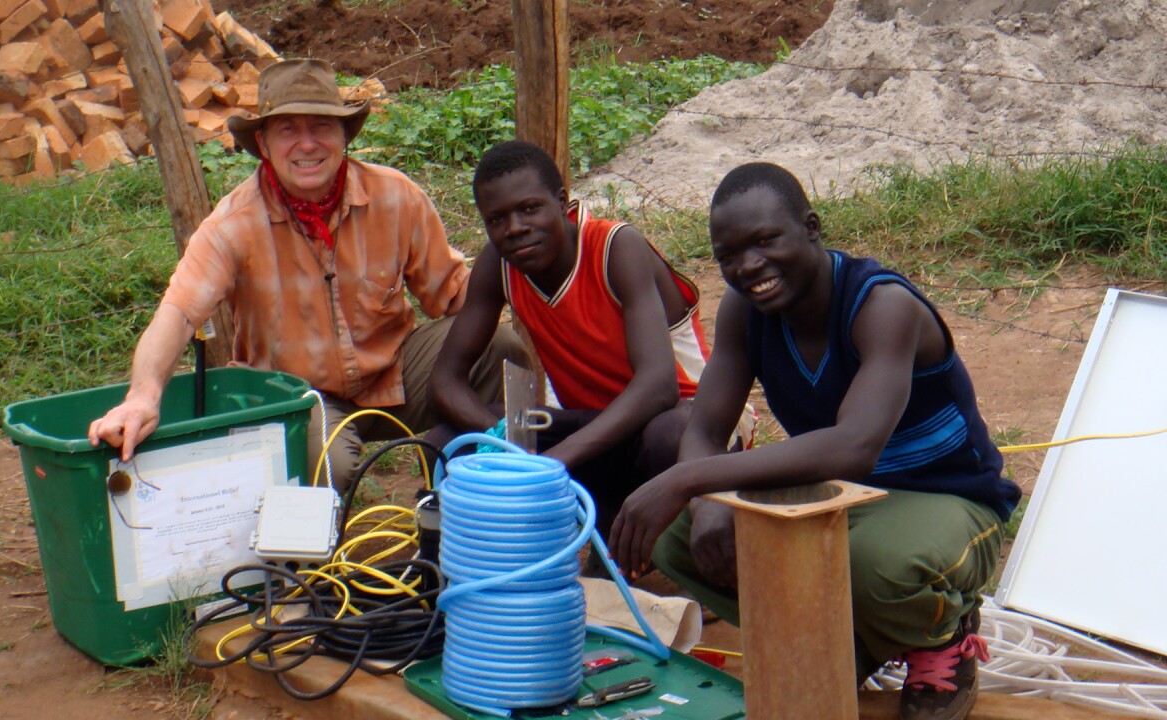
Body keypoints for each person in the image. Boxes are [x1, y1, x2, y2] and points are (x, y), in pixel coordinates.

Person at [609, 162, 1021, 720]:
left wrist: (688, 479)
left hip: (946, 498)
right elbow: (705, 428)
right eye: (729, 254)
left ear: (811, 226)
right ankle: (844, 643)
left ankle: (940, 640)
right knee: (680, 539)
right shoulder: (744, 313)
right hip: (837, 493)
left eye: (765, 241)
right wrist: (704, 504)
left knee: (879, 566)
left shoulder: (882, 306)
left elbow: (855, 446)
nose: (749, 266)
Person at [88, 59, 522, 493]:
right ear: (263, 143)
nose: (307, 144)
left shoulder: (395, 197)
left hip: (395, 371)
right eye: (288, 130)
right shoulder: (233, 225)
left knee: (503, 348)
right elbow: (179, 313)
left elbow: (454, 294)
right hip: (296, 396)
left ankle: (473, 489)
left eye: (322, 127)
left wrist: (543, 310)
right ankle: (313, 552)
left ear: (344, 137)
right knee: (329, 465)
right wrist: (142, 396)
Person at [429, 140, 754, 540]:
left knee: (669, 434)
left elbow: (658, 387)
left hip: (693, 425)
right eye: (497, 219)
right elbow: (445, 381)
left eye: (530, 209)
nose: (515, 228)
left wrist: (555, 460)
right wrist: (504, 439)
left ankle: (643, 535)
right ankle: (525, 547)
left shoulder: (615, 248)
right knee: (450, 441)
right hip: (597, 428)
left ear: (562, 202)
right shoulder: (499, 265)